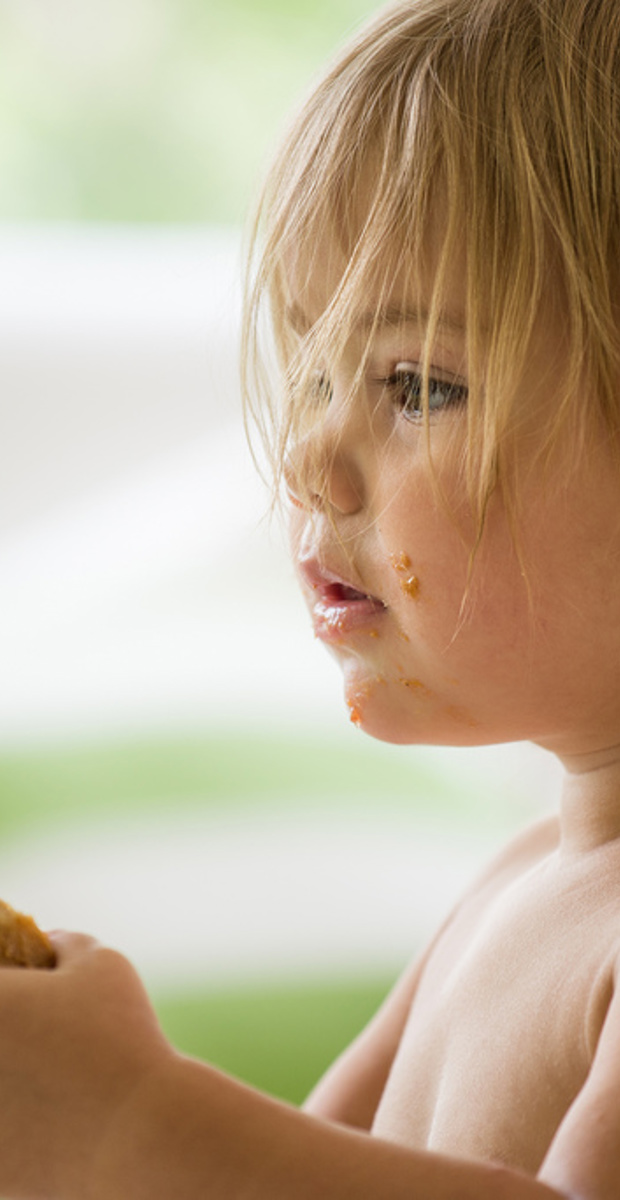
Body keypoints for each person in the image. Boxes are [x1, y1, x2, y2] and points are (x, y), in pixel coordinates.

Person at [0, 0, 618, 1195]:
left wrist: (132, 1120)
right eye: (317, 369)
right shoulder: (510, 886)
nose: (304, 462)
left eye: (419, 384)